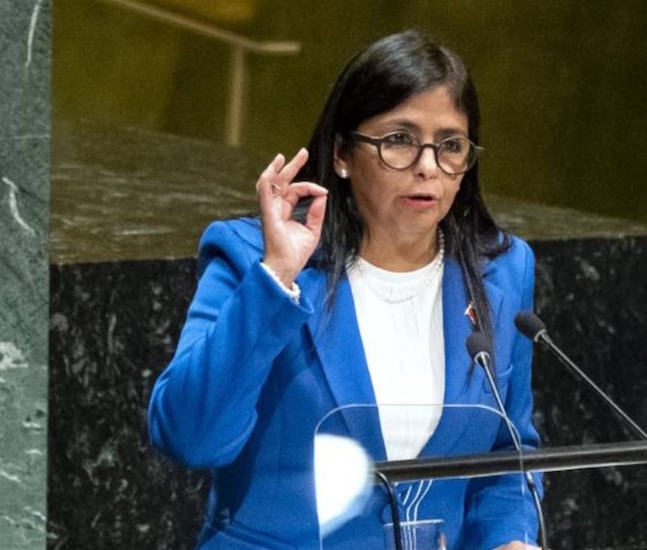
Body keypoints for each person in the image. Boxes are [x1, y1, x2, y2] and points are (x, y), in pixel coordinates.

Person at [147, 29, 542, 550]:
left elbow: (508, 455)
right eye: (399, 140)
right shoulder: (252, 256)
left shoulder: (501, 271)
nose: (428, 166)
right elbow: (190, 437)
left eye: (450, 146)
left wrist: (510, 539)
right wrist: (275, 279)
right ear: (341, 154)